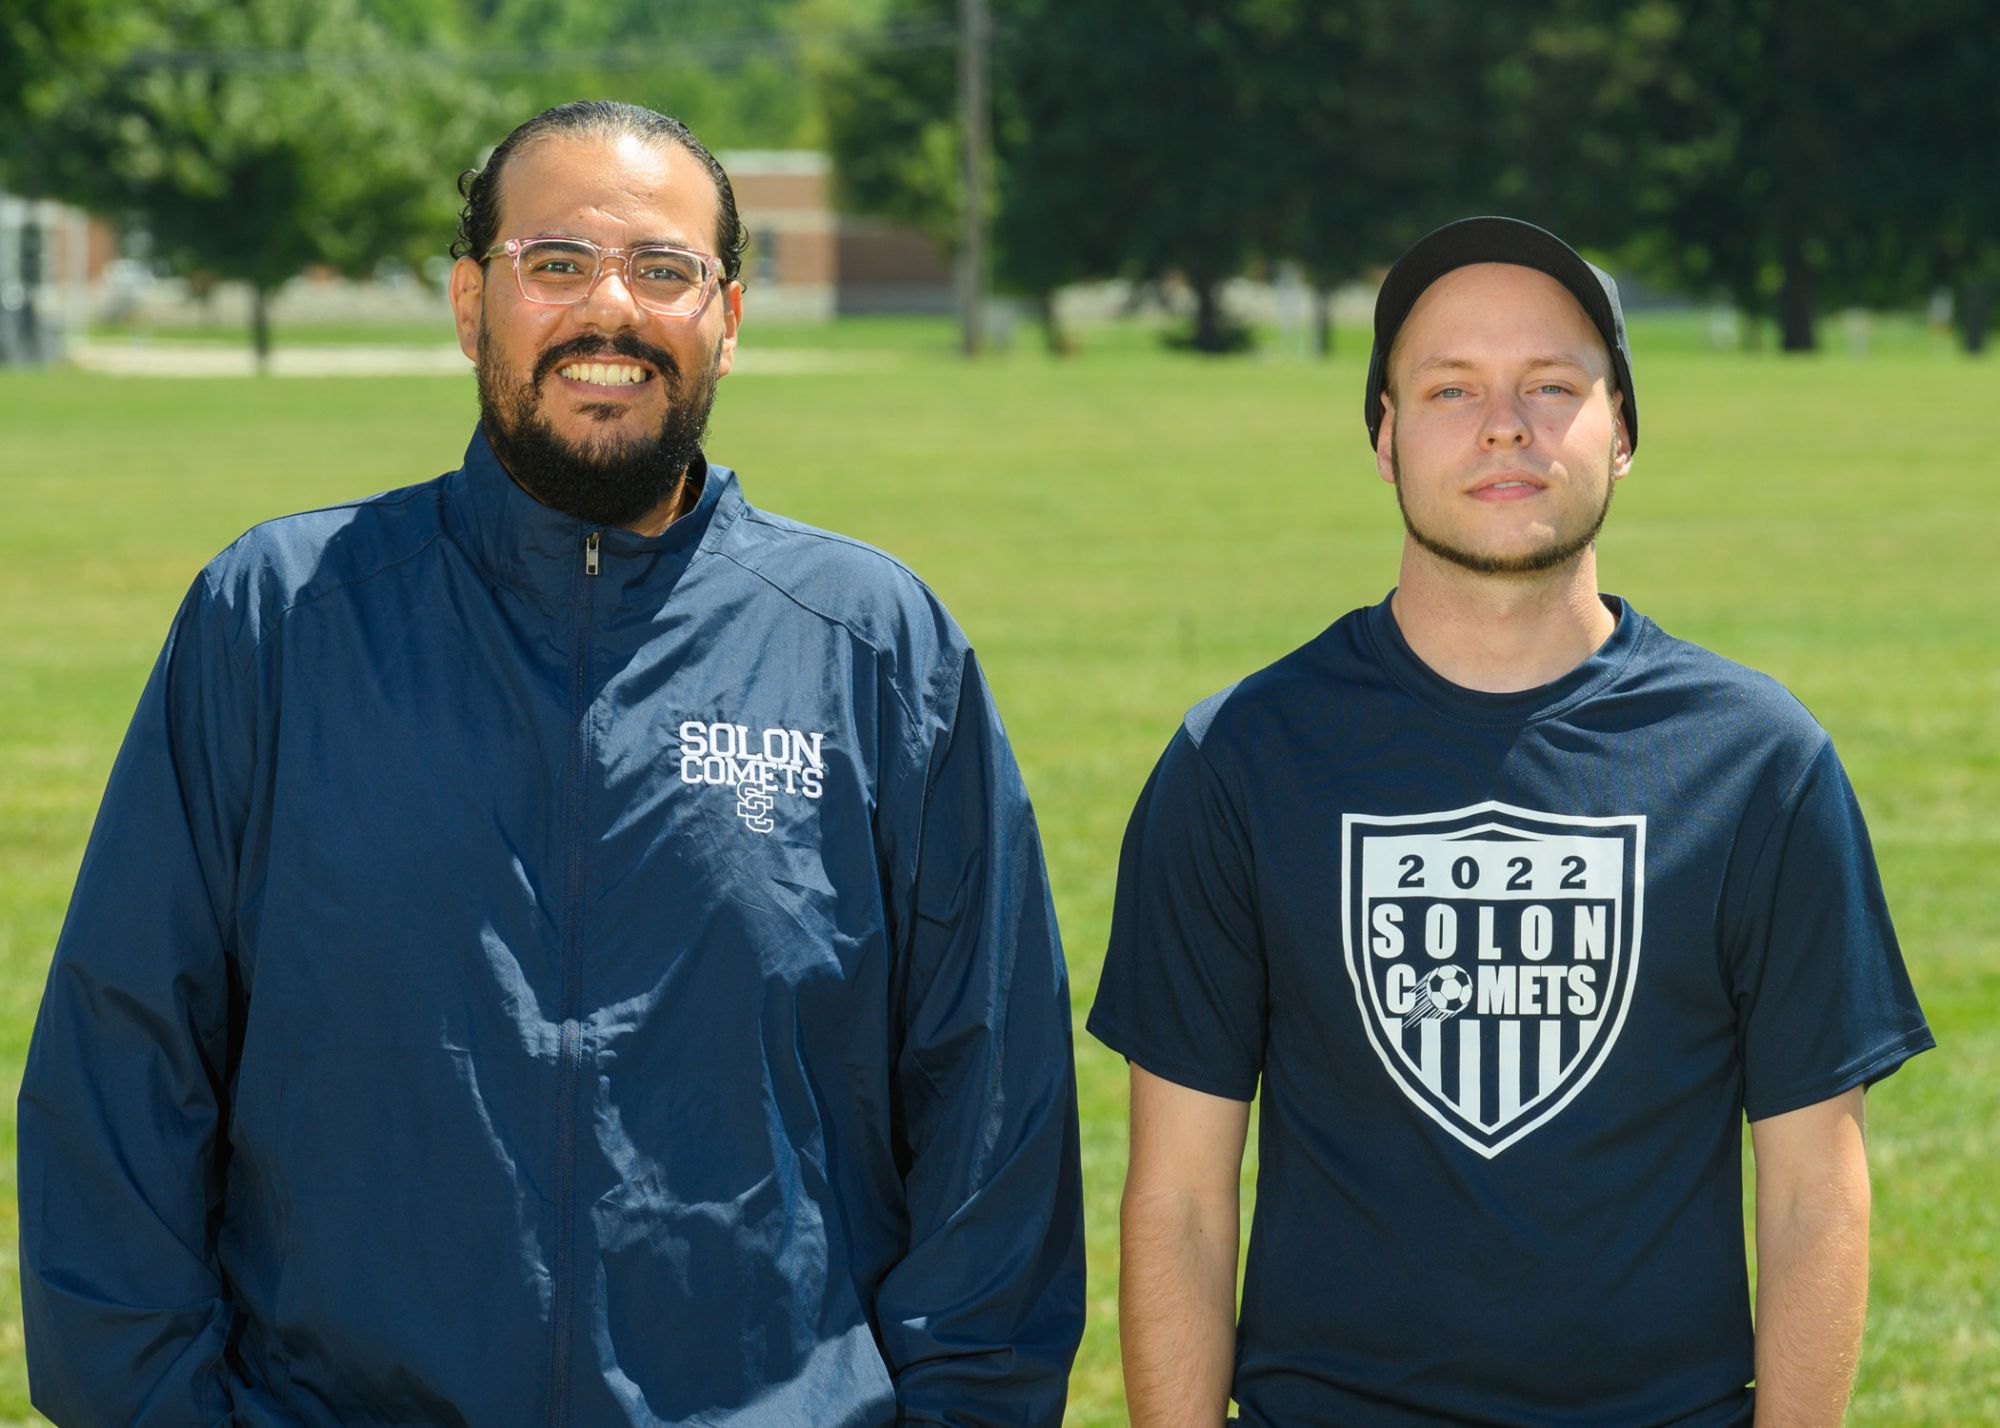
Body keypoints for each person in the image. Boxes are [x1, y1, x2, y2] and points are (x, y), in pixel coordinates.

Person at [19, 99, 1085, 1427]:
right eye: (557, 263)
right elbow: (123, 1069)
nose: (611, 313)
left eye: (663, 269)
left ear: (730, 317)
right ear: (472, 303)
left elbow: (994, 1114)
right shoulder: (281, 621)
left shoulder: (873, 649)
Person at [1089, 216, 1932, 1427]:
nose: (1504, 425)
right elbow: (1175, 1195)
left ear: (1623, 432)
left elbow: (1812, 1191)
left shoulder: (1756, 763)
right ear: (1382, 438)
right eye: (1448, 388)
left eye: (1551, 384)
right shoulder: (1237, 762)